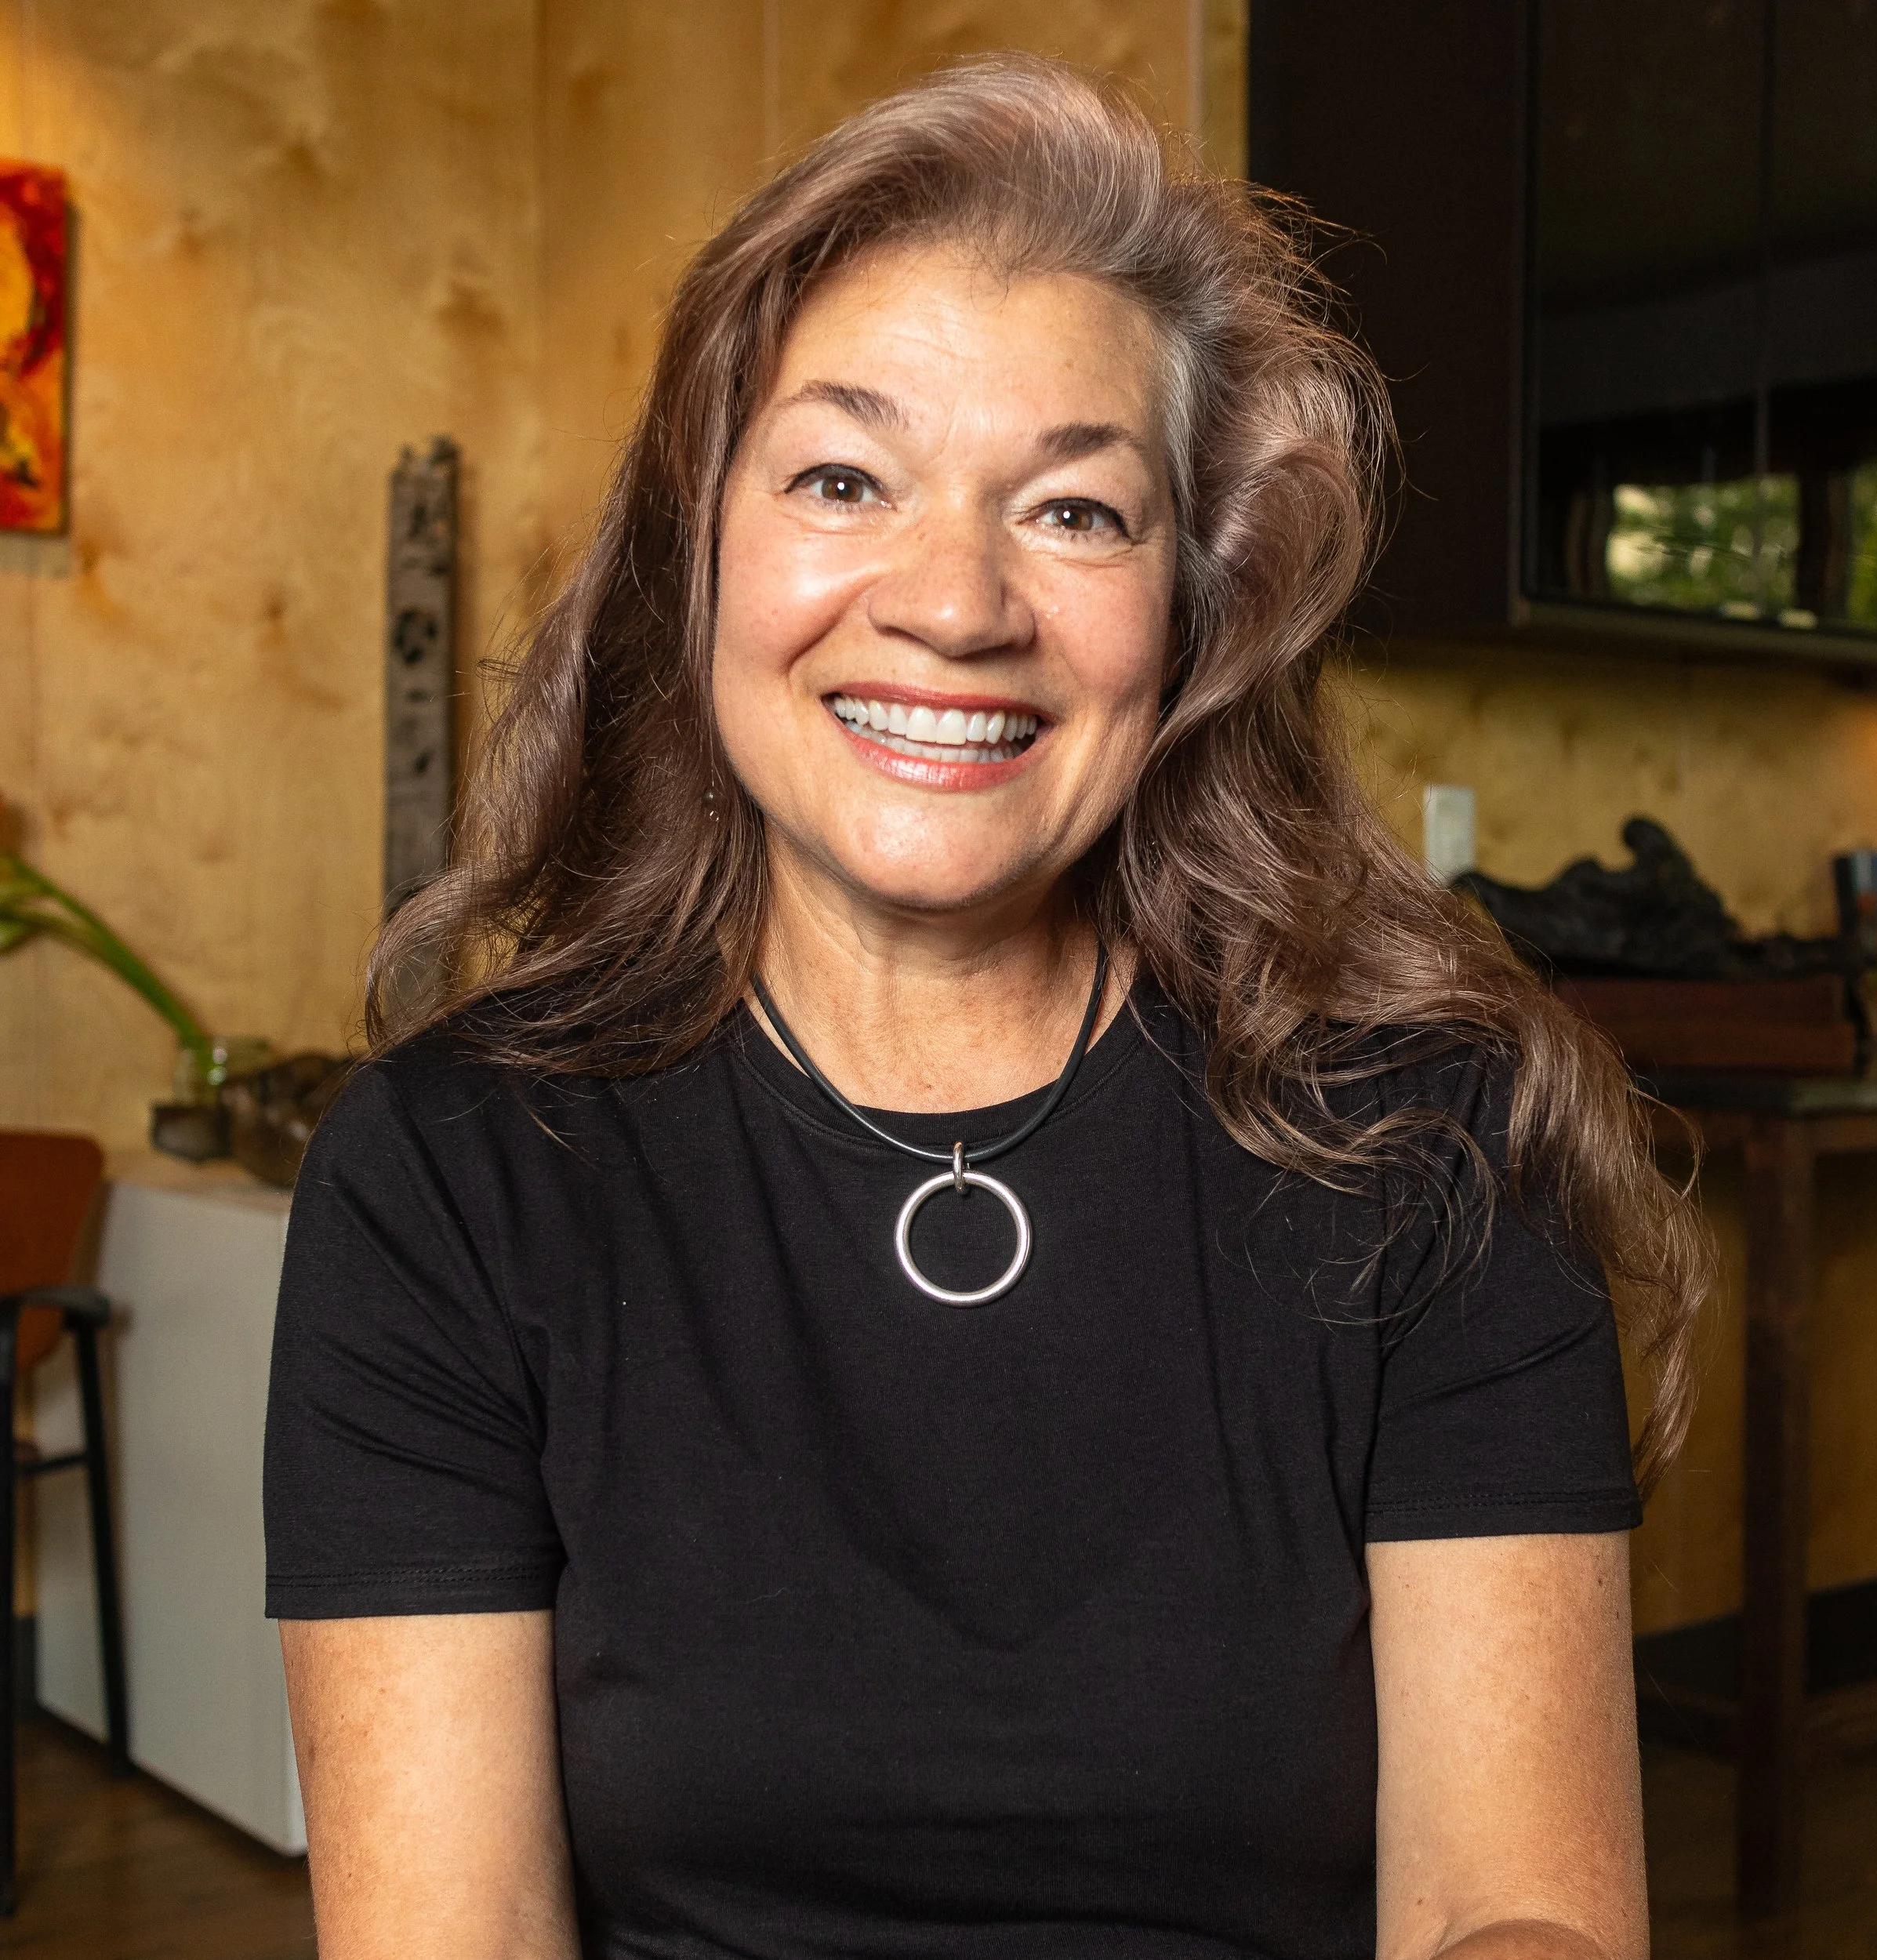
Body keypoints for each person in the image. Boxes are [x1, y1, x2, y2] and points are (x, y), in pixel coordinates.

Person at [265, 56, 1708, 1960]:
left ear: (1189, 614)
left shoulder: (1427, 1141)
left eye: (1076, 513)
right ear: (696, 550)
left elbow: (1516, 1911)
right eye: (842, 475)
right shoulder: (449, 1176)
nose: (953, 600)